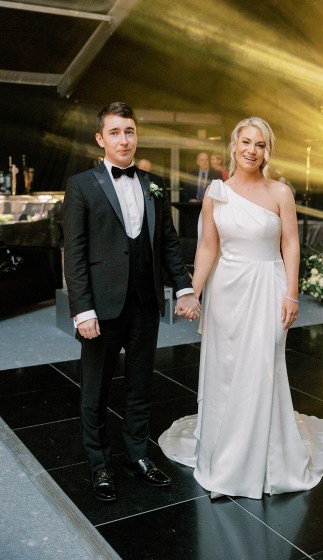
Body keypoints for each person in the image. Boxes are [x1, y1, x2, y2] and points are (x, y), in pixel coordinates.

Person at [159, 116, 323, 499]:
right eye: (246, 142)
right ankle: (225, 460)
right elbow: (207, 247)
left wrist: (292, 293)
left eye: (260, 144)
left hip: (268, 287)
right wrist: (192, 291)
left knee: (261, 369)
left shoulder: (280, 192)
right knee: (226, 371)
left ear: (268, 151)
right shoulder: (216, 192)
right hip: (226, 292)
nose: (252, 150)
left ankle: (255, 462)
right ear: (234, 145)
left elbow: (291, 245)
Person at [63, 102, 200, 503]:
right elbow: (75, 252)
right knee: (96, 390)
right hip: (100, 310)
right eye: (116, 132)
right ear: (100, 138)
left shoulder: (154, 183)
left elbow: (169, 244)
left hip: (144, 304)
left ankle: (137, 456)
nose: (124, 139)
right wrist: (82, 310)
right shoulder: (82, 185)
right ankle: (99, 464)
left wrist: (185, 288)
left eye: (130, 132)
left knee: (141, 386)